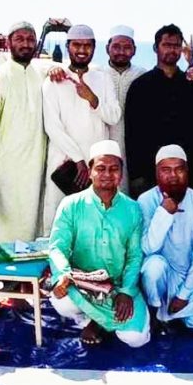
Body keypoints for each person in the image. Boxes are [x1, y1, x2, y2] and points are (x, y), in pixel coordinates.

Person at [48, 140, 149, 347]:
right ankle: (92, 320)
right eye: (101, 168)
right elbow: (58, 247)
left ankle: (99, 322)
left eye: (114, 169)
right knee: (63, 302)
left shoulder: (132, 209)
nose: (107, 174)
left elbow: (135, 255)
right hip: (82, 283)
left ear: (121, 173)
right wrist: (62, 275)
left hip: (118, 285)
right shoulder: (71, 205)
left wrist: (126, 292)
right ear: (90, 172)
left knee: (136, 339)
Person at [42, 25, 121, 232]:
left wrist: (92, 99)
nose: (82, 50)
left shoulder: (103, 78)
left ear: (94, 48)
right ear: (67, 47)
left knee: (94, 226)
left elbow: (114, 116)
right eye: (76, 45)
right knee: (60, 224)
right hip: (64, 163)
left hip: (96, 164)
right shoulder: (54, 81)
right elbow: (52, 127)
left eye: (87, 45)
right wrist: (78, 160)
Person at [138, 145, 193, 334]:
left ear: (187, 171)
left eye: (179, 169)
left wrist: (184, 294)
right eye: (166, 170)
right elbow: (148, 248)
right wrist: (164, 213)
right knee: (154, 266)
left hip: (186, 278)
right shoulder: (146, 200)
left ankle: (174, 317)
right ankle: (154, 311)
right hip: (159, 278)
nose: (173, 176)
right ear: (157, 173)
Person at [0, 21, 48, 242]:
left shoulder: (42, 74)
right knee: (5, 222)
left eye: (30, 39)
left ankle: (27, 264)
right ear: (9, 43)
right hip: (6, 164)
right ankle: (3, 263)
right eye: (19, 39)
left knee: (33, 219)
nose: (25, 44)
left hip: (36, 161)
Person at [125, 24, 193, 198]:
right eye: (166, 45)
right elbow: (132, 134)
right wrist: (136, 176)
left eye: (176, 45)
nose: (172, 50)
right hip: (148, 174)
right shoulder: (140, 86)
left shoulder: (190, 85)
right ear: (156, 48)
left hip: (186, 172)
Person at [104, 25, 147, 194]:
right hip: (104, 143)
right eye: (116, 46)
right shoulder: (97, 74)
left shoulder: (143, 76)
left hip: (134, 149)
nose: (121, 52)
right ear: (107, 48)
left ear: (134, 50)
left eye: (127, 47)